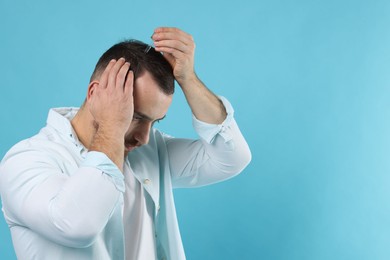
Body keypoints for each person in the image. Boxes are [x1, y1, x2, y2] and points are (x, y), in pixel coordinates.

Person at [0, 27, 251, 260]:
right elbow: (78, 225)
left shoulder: (151, 150)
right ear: (95, 93)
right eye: (135, 116)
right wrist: (112, 126)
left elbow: (231, 158)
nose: (144, 137)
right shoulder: (25, 160)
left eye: (155, 122)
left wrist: (189, 79)